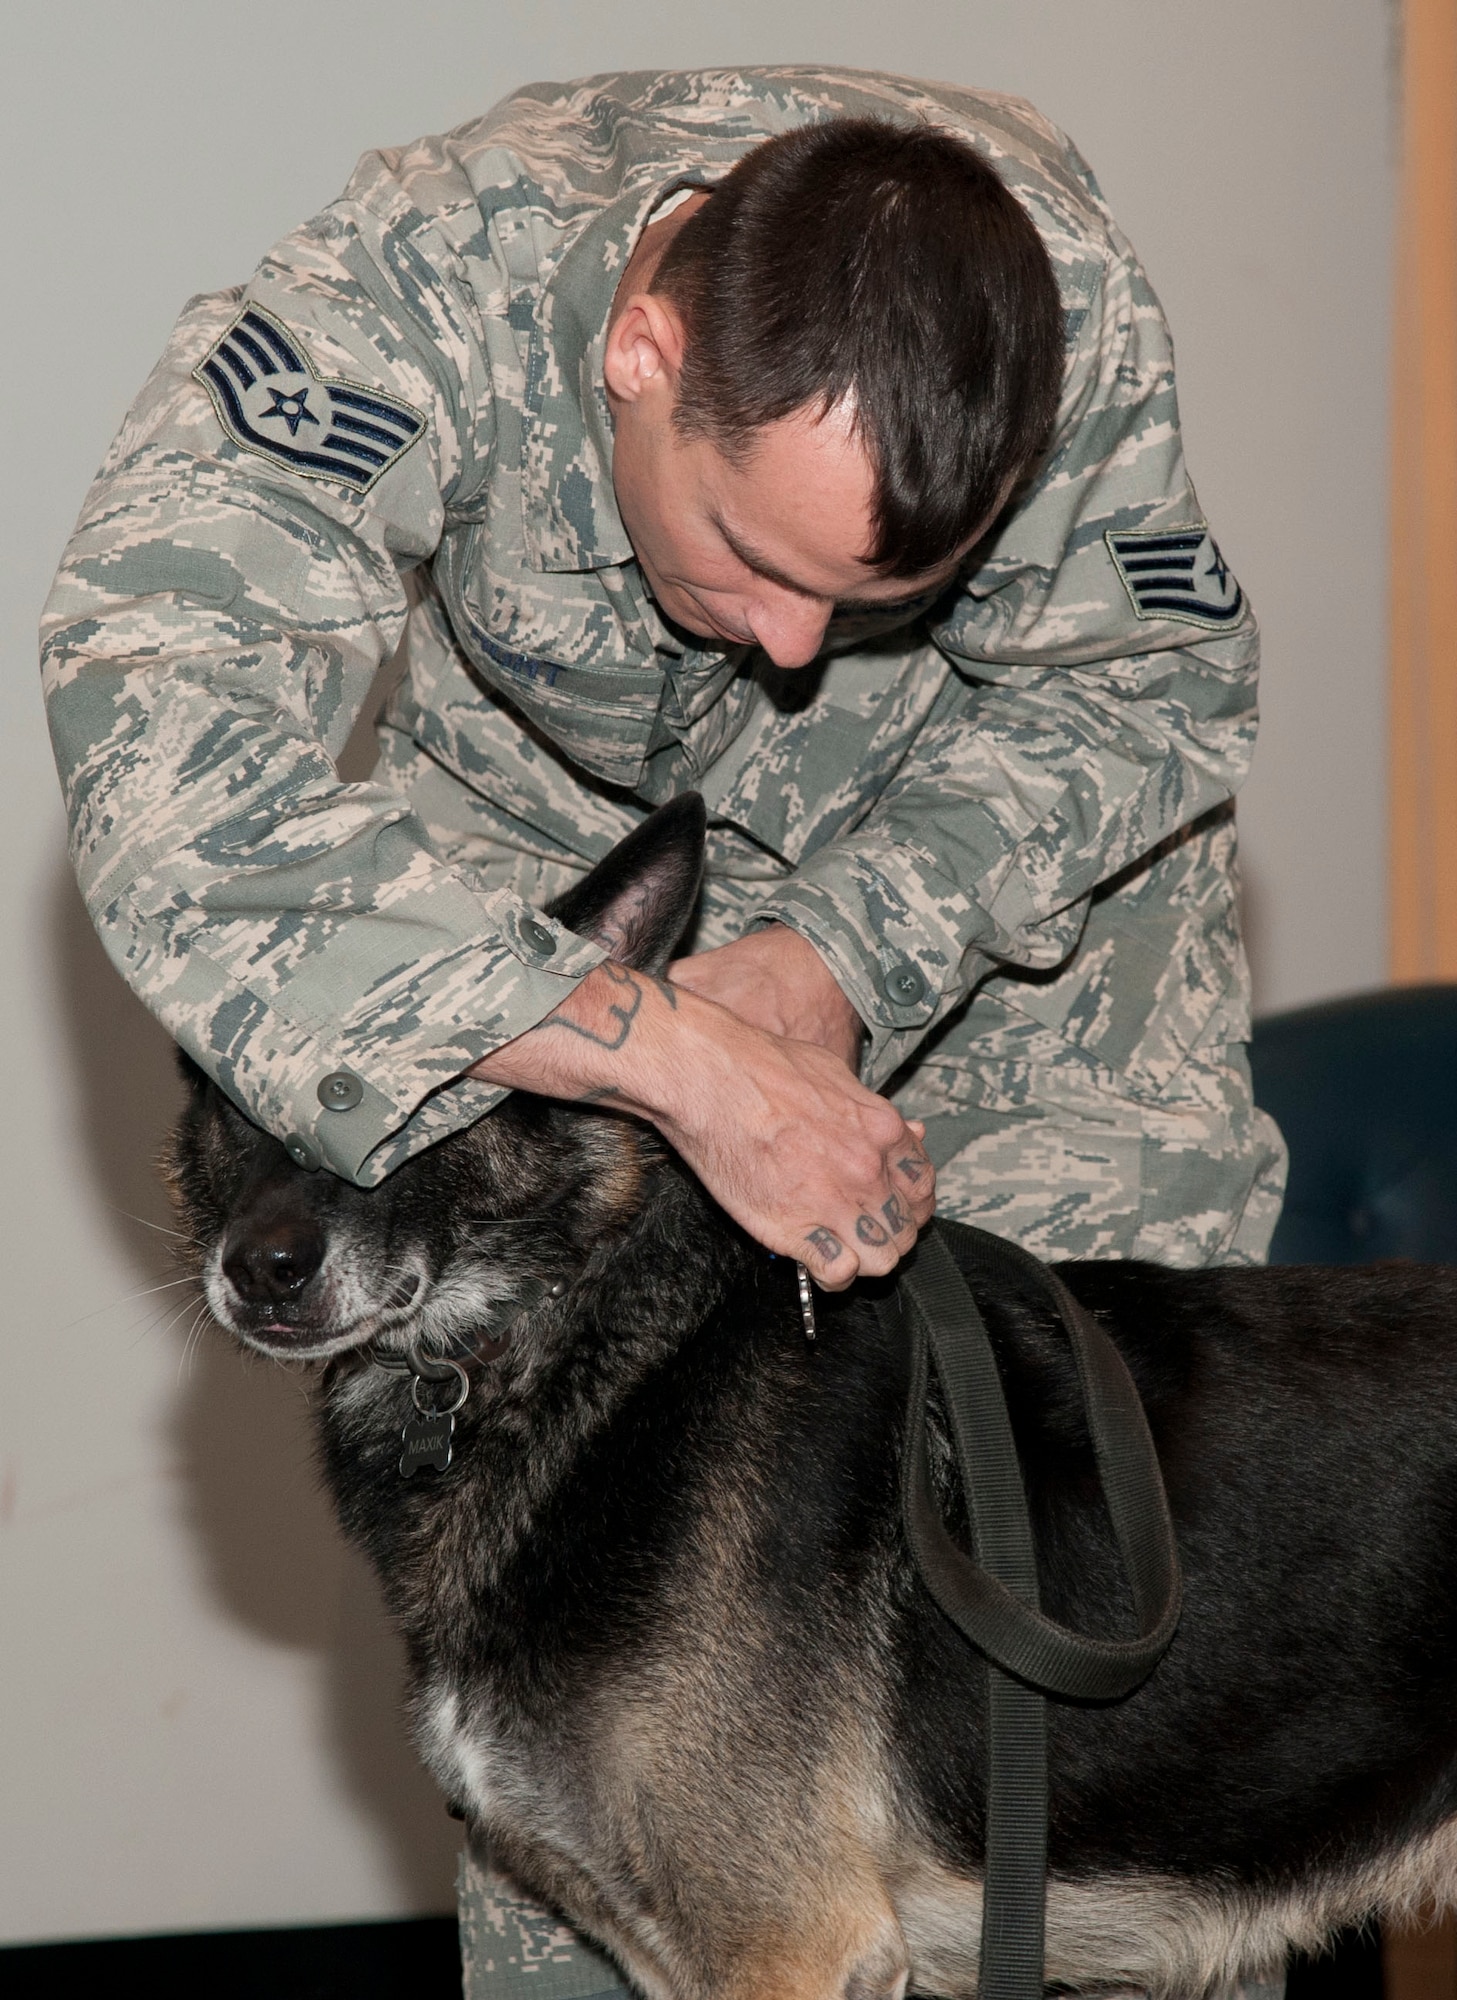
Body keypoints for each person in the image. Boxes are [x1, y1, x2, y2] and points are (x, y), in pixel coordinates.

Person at [41, 65, 1286, 1992]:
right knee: (591, 1749)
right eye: (753, 553)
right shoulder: (419, 284)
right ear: (638, 350)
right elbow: (162, 732)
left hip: (1017, 936)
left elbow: (1147, 694)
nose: (790, 652)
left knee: (1114, 1687)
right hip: (538, 929)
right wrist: (652, 1041)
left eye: (873, 594)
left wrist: (833, 958)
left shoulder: (1065, 321)